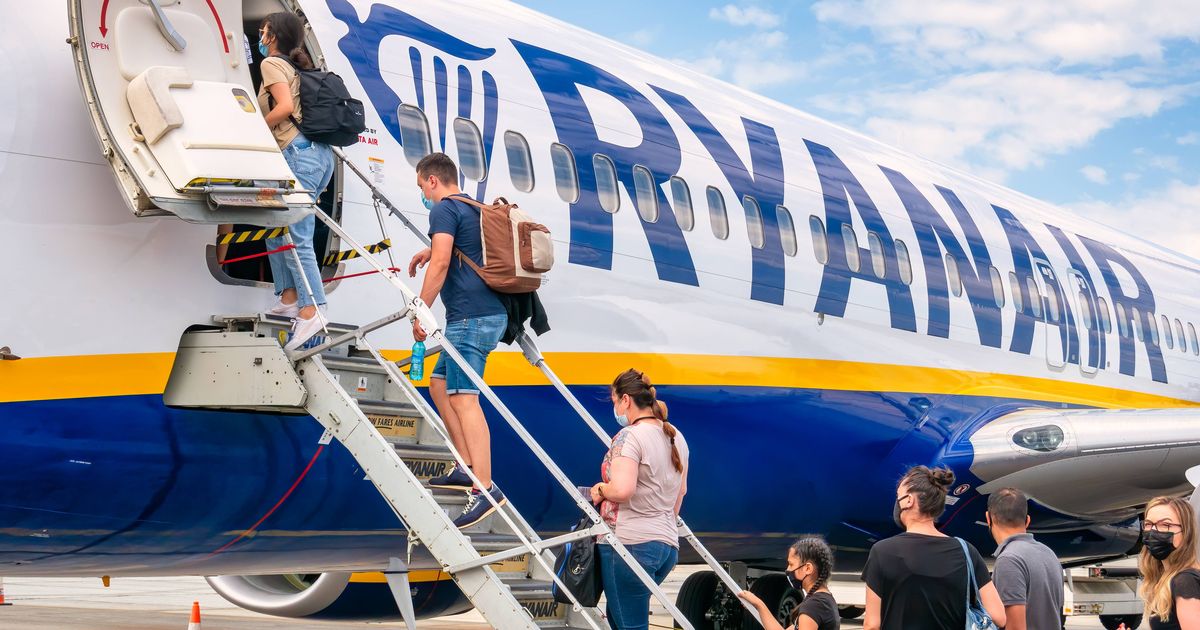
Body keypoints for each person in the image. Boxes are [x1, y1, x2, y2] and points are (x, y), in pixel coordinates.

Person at [407, 153, 508, 529]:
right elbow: (460, 250)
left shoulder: (444, 209)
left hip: (470, 319)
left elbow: (442, 263)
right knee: (438, 384)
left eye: (421, 186)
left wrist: (420, 310)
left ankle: (486, 488)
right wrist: (431, 248)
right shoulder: (473, 208)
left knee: (465, 399)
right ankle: (466, 466)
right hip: (481, 316)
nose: (423, 193)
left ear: (432, 180)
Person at [256, 12, 336, 351]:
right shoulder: (295, 67)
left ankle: (312, 309)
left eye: (263, 31)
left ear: (272, 36)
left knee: (297, 236)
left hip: (298, 156)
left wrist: (256, 127)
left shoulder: (271, 64)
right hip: (316, 157)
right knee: (276, 228)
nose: (260, 37)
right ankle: (289, 297)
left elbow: (285, 107)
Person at [588, 369, 689, 630]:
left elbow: (622, 490)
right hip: (666, 546)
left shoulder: (629, 436)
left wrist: (600, 489)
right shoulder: (676, 436)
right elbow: (680, 493)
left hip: (630, 543)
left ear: (626, 400)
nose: (615, 409)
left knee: (629, 624)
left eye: (614, 401)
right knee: (619, 617)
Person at [861, 466, 1005, 630]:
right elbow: (999, 617)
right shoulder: (966, 551)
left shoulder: (882, 551)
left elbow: (872, 625)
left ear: (909, 501)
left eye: (898, 496)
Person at [986, 487, 1064, 630]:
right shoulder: (1049, 554)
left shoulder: (1009, 560)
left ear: (989, 518)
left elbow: (1015, 627)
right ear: (1027, 520)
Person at [739, 537, 840, 630]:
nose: (788, 569)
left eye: (791, 564)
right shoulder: (823, 600)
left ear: (808, 568)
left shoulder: (812, 607)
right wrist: (759, 604)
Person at [1139, 495, 1200, 630]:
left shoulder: (1185, 581)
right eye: (1148, 524)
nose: (1153, 531)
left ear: (1186, 532)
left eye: (1165, 525)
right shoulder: (1167, 579)